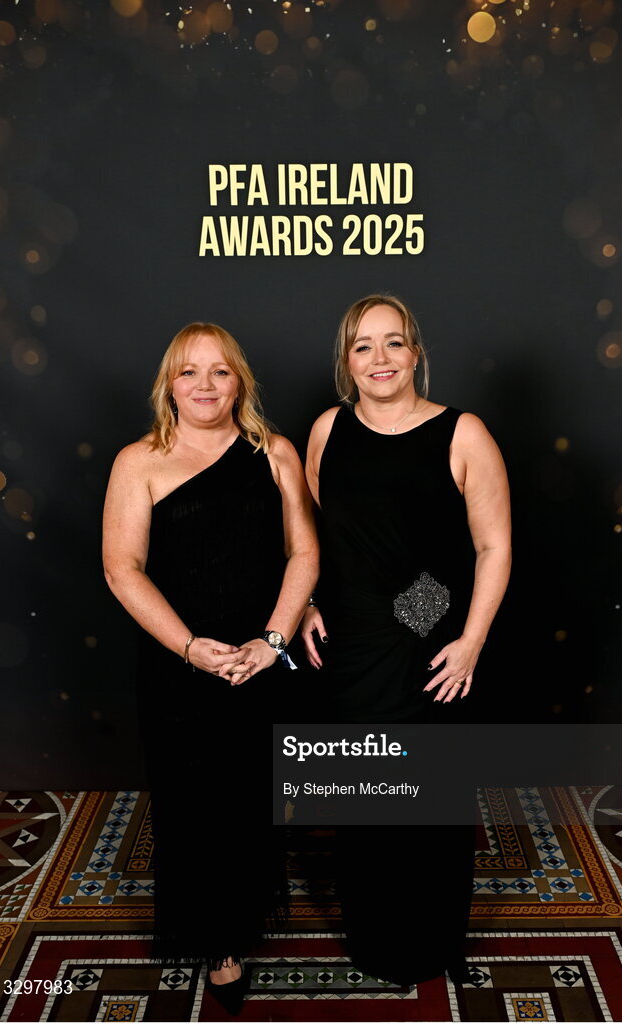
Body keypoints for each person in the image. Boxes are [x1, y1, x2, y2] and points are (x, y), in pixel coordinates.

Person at [103, 322, 318, 1013]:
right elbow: (121, 570)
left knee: (252, 802)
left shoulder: (276, 453)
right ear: (169, 384)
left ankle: (245, 915)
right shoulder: (137, 461)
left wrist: (273, 641)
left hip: (261, 662)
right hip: (180, 667)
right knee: (192, 809)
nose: (204, 385)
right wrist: (192, 648)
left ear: (240, 384)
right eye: (188, 372)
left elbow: (303, 555)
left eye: (220, 372)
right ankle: (215, 945)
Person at [302, 294, 511, 986]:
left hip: (428, 634)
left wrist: (471, 641)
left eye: (393, 343)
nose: (379, 358)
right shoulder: (327, 429)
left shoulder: (462, 432)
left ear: (416, 353)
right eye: (363, 346)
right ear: (346, 361)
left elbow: (491, 547)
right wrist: (304, 604)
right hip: (350, 642)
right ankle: (374, 939)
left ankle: (428, 941)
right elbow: (312, 536)